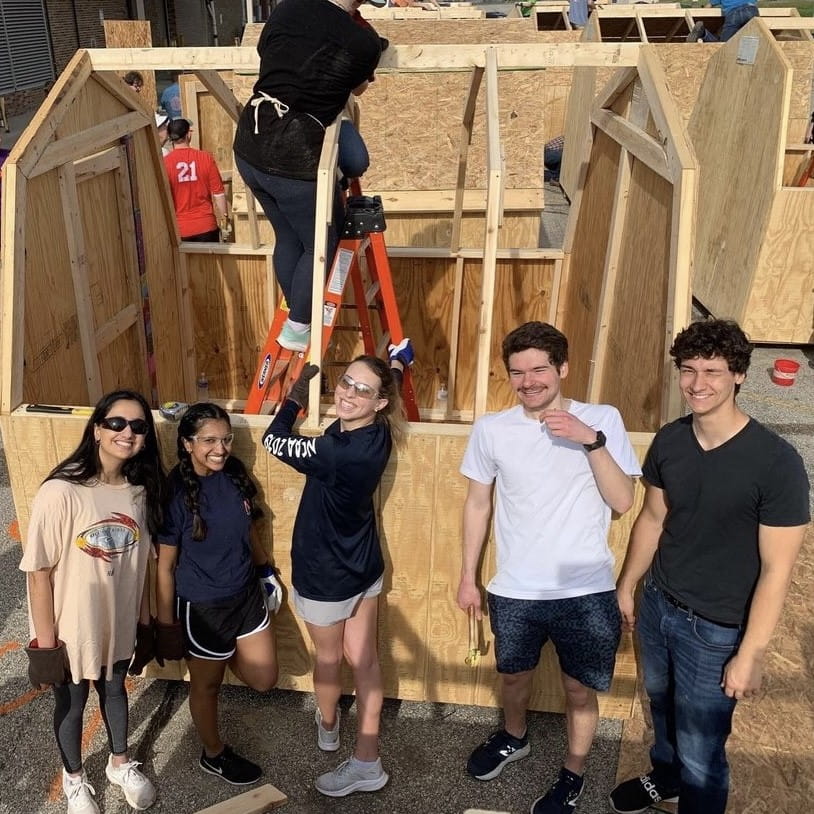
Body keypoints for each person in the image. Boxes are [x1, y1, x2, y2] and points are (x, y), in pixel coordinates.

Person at [610, 319, 809, 814]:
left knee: (703, 750)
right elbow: (653, 517)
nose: (698, 384)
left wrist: (752, 653)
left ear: (739, 375)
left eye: (714, 372)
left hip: (716, 630)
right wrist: (629, 584)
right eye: (689, 370)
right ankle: (667, 777)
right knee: (662, 708)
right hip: (659, 605)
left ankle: (692, 788)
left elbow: (776, 570)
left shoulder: (776, 464)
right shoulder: (671, 440)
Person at [457, 321, 641, 814]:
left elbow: (623, 501)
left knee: (579, 689)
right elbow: (478, 504)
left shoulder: (602, 418)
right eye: (517, 372)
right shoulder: (492, 429)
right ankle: (513, 736)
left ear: (562, 368)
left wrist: (590, 439)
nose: (529, 381)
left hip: (587, 590)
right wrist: (467, 577)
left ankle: (573, 772)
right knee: (513, 677)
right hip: (514, 589)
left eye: (540, 368)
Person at [261, 341, 412, 797]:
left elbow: (273, 438)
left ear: (379, 403)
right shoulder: (378, 429)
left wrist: (294, 396)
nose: (347, 393)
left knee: (329, 659)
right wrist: (398, 362)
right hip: (363, 568)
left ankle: (331, 728)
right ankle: (364, 752)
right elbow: (392, 378)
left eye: (360, 391)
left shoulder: (337, 453)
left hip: (325, 574)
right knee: (362, 660)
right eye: (345, 381)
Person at [19, 390, 167, 814]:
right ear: (98, 428)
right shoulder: (62, 490)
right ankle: (75, 779)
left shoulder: (139, 493)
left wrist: (144, 624)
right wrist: (46, 646)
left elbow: (140, 569)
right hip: (71, 628)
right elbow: (38, 573)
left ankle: (119, 764)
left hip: (117, 623)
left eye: (139, 427)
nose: (128, 433)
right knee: (73, 702)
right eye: (117, 423)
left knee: (115, 689)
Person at [233, 0, 382, 352]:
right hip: (293, 156)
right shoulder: (362, 43)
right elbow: (357, 89)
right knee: (321, 242)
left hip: (250, 145)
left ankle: (296, 305)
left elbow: (265, 49)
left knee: (288, 236)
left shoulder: (288, 7)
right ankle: (299, 325)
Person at [155, 403, 280, 786]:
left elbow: (248, 531)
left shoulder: (235, 474)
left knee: (265, 680)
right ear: (187, 443)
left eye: (225, 439)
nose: (220, 448)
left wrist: (266, 571)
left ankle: (219, 657)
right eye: (209, 440)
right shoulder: (175, 494)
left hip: (245, 597)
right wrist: (166, 624)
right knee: (205, 686)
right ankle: (213, 754)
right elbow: (164, 566)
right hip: (203, 608)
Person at [163, 118, 229, 242]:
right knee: (209, 262)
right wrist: (225, 220)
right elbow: (219, 193)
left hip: (180, 229)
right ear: (188, 134)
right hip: (206, 225)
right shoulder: (205, 158)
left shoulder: (165, 163)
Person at [686, 0, 757, 42]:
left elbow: (709, 5)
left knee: (723, 45)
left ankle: (703, 33)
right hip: (752, 11)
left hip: (734, 13)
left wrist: (699, 12)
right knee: (755, 41)